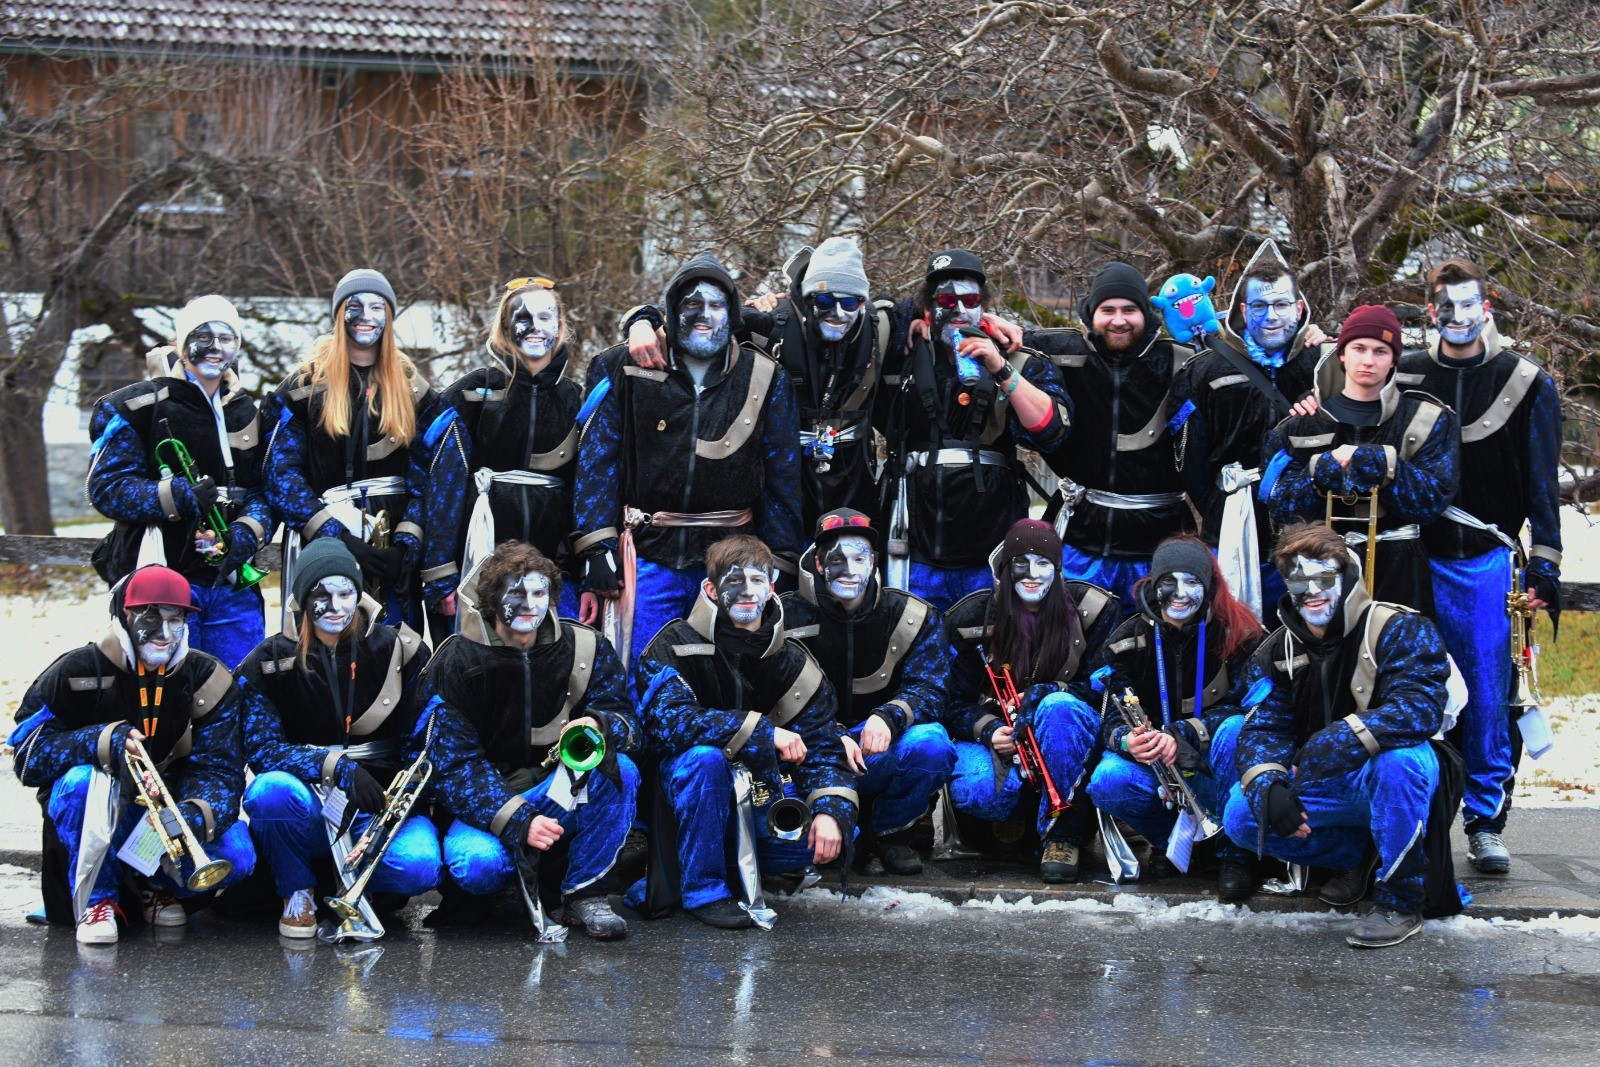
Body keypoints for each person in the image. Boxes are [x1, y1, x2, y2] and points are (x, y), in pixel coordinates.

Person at [1395, 259, 1564, 873]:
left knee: (1491, 695)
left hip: (1487, 564)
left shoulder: (1526, 382)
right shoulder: (1404, 374)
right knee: (1408, 687)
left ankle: (1486, 819)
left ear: (1487, 307)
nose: (1459, 317)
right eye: (1446, 306)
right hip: (1410, 556)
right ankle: (1415, 817)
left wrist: (1544, 565)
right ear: (1430, 311)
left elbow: (1543, 485)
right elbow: (1344, 389)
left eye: (1470, 305)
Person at [1224, 522, 1460, 949]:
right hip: (1323, 780)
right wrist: (1267, 786)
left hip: (1393, 773)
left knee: (1400, 762)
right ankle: (1362, 854)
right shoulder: (1276, 649)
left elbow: (1421, 709)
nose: (1312, 591)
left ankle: (1401, 899)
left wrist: (1339, 740)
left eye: (1324, 577)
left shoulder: (1401, 627)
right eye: (1299, 581)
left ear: (1348, 578)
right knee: (1241, 817)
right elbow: (1264, 726)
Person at [573, 252, 803, 662]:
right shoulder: (620, 366)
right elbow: (596, 464)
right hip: (648, 555)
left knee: (722, 675)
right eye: (692, 304)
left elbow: (782, 475)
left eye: (716, 305)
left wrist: (781, 561)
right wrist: (595, 548)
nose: (704, 315)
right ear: (671, 309)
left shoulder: (766, 377)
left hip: (731, 561)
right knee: (642, 670)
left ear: (732, 313)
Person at [9, 566, 255, 945]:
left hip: (162, 820)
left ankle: (152, 885)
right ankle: (98, 900)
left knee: (238, 853)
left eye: (176, 620)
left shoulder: (208, 677)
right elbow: (26, 755)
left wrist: (186, 818)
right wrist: (99, 741)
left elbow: (221, 771)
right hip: (95, 815)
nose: (165, 633)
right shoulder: (75, 670)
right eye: (151, 618)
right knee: (81, 781)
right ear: (125, 616)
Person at [634, 535, 857, 928]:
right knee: (704, 759)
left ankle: (731, 864)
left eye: (757, 581)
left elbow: (823, 743)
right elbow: (668, 723)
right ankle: (704, 890)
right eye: (735, 581)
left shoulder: (792, 658)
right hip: (680, 800)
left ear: (771, 587)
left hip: (761, 798)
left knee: (837, 833)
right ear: (711, 589)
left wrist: (829, 810)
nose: (748, 592)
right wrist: (761, 732)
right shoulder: (673, 643)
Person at [425, 541, 642, 940]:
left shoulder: (587, 646)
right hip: (490, 803)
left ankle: (585, 893)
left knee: (620, 770)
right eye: (516, 593)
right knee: (476, 867)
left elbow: (630, 724)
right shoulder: (455, 660)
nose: (530, 604)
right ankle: (504, 888)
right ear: (491, 600)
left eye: (540, 593)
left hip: (558, 790)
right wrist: (517, 818)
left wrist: (600, 724)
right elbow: (452, 767)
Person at [237, 538, 439, 939]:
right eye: (321, 595)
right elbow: (262, 750)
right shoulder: (268, 659)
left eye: (346, 593)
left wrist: (396, 802)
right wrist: (335, 767)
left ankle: (355, 884)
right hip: (307, 801)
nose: (336, 606)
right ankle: (297, 890)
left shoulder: (400, 648)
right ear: (302, 599)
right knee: (268, 791)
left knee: (420, 867)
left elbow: (422, 741)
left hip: (378, 801)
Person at [878, 249, 1070, 612]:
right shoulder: (902, 353)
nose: (959, 310)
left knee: (988, 637)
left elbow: (1051, 431)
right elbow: (863, 317)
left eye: (971, 301)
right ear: (928, 306)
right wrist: (912, 319)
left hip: (991, 543)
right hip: (916, 544)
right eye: (946, 301)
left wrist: (1000, 368)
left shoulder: (1015, 355)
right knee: (915, 635)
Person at [87, 295, 273, 668]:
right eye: (203, 336)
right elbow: (105, 488)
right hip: (158, 577)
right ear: (182, 343)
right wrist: (176, 496)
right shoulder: (135, 407)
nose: (215, 347)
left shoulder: (249, 413)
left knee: (237, 683)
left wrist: (243, 535)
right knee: (165, 684)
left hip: (230, 585)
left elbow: (265, 493)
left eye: (226, 338)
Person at [265, 268, 451, 629]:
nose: (367, 316)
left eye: (377, 307)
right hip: (325, 539)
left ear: (389, 317)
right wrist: (335, 537)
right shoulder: (302, 387)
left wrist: (405, 544)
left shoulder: (415, 390)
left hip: (394, 543)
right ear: (339, 314)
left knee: (396, 644)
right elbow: (280, 475)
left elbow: (430, 476)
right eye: (355, 306)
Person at [1085, 535, 1264, 899]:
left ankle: (1234, 854)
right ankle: (1175, 842)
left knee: (1234, 729)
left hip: (1214, 764)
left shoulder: (1241, 634)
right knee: (1107, 780)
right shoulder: (1125, 640)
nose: (1180, 594)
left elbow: (1249, 710)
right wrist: (1127, 741)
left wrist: (1182, 734)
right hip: (1159, 769)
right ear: (1153, 584)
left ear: (1208, 586)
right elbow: (1110, 717)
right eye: (1169, 581)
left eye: (1192, 582)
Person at [780, 508, 954, 875]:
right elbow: (765, 695)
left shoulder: (912, 615)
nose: (849, 569)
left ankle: (890, 832)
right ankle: (840, 830)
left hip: (877, 751)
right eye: (836, 559)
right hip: (809, 754)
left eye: (859, 558)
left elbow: (933, 689)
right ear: (818, 563)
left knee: (932, 743)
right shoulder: (782, 617)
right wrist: (829, 735)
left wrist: (889, 716)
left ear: (873, 561)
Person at [942, 520, 1118, 883]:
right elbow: (949, 701)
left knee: (1057, 707)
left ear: (1058, 568)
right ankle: (1018, 817)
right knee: (979, 791)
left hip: (1068, 732)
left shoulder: (1095, 609)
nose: (1033, 574)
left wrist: (1047, 692)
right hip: (999, 740)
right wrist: (988, 729)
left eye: (1043, 564)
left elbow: (1107, 691)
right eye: (1021, 563)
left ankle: (1063, 835)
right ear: (1005, 568)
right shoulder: (970, 617)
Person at [1261, 304, 1458, 614]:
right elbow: (1278, 508)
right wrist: (1318, 473)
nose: (1368, 360)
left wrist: (1379, 463)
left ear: (1394, 360)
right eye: (1359, 348)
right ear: (1342, 353)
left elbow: (1431, 502)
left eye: (1380, 351)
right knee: (1316, 640)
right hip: (1313, 563)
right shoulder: (1298, 425)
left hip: (1398, 566)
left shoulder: (1427, 419)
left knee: (1396, 641)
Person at [1170, 242, 1329, 618]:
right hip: (1231, 532)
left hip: (1311, 537)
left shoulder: (1325, 364)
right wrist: (1220, 509)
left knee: (1312, 624)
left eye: (1281, 305)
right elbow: (1189, 461)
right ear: (1243, 310)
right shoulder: (1205, 369)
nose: (1271, 316)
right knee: (1237, 628)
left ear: (1299, 308)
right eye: (1259, 306)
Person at [1025, 263, 1195, 611]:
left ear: (1146, 313)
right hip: (1080, 543)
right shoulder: (1063, 356)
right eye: (1108, 310)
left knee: (1154, 637)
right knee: (1074, 634)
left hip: (1159, 548)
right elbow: (997, 339)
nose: (1119, 320)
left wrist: (1308, 335)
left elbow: (1246, 361)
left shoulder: (1182, 361)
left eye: (1129, 310)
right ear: (1091, 314)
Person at [428, 276, 587, 636]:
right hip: (481, 552)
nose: (535, 327)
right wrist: (440, 571)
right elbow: (442, 485)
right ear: (504, 327)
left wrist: (583, 565)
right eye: (523, 318)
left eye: (545, 317)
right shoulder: (473, 392)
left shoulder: (577, 399)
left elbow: (586, 488)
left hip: (555, 560)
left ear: (559, 325)